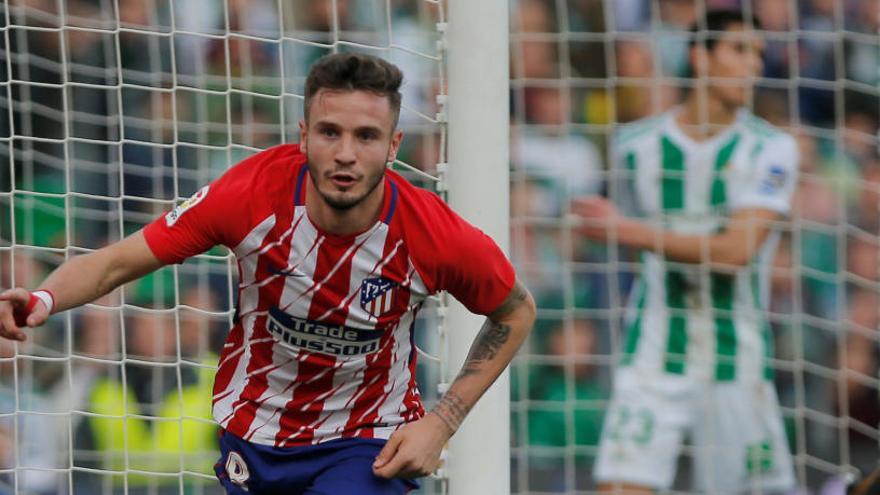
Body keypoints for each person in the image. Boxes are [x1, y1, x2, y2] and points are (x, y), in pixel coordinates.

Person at [0, 52, 536, 495]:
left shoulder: (429, 233)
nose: (345, 154)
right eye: (330, 132)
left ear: (393, 147)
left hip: (366, 440)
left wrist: (441, 423)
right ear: (304, 135)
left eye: (366, 137)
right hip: (255, 431)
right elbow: (116, 262)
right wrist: (42, 299)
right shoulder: (248, 195)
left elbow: (514, 310)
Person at [573, 10, 798, 494]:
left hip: (736, 359)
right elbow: (594, 234)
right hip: (655, 348)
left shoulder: (772, 149)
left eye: (758, 53)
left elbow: (737, 250)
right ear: (700, 56)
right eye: (739, 50)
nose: (753, 66)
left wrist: (626, 230)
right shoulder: (634, 146)